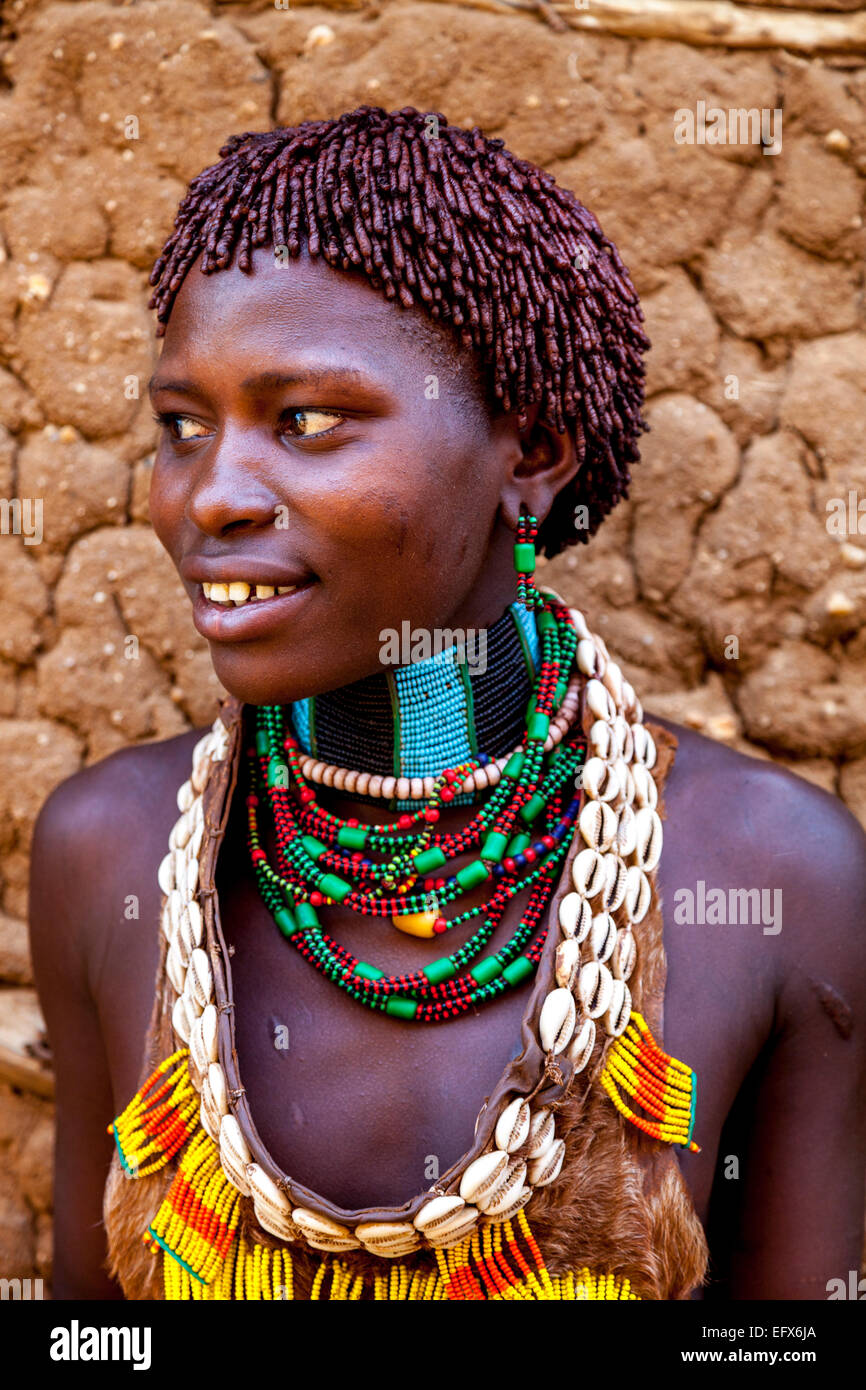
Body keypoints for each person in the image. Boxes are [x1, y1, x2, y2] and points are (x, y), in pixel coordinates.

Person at [29, 106, 866, 1301]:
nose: (207, 495)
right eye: (181, 425)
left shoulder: (774, 876)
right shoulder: (110, 850)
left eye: (306, 419)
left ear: (530, 455)